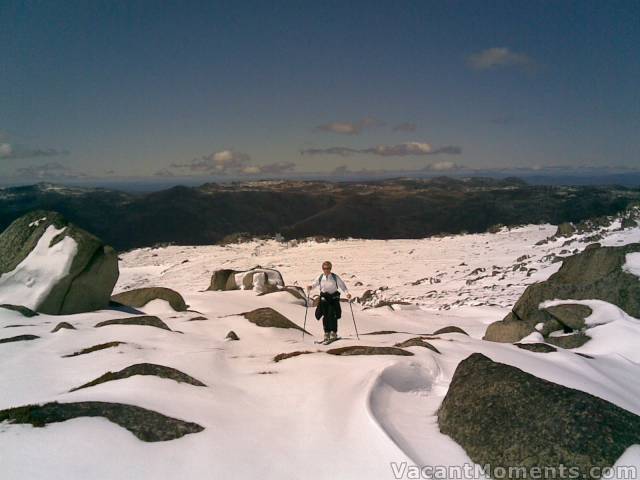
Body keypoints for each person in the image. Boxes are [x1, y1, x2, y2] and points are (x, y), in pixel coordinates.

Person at [307, 261, 351, 343]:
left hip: (333, 298)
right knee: (325, 316)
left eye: (328, 268)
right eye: (324, 268)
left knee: (332, 314)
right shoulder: (320, 277)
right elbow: (314, 284)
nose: (326, 270)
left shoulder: (335, 277)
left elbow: (343, 286)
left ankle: (333, 332)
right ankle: (326, 333)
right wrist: (310, 287)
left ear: (330, 268)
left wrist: (347, 294)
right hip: (324, 298)